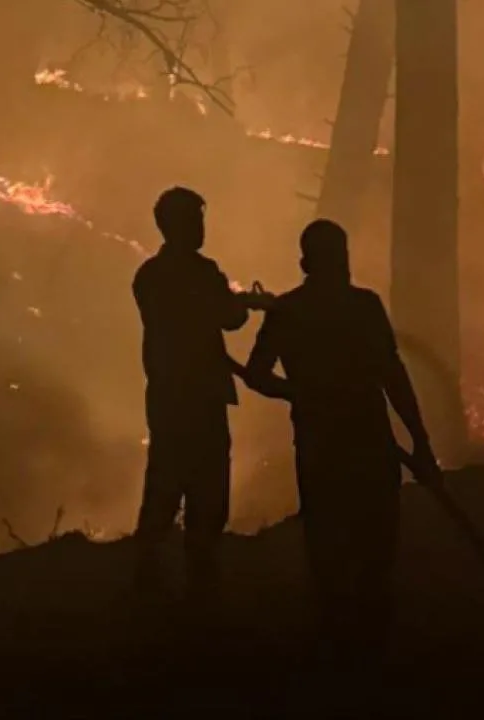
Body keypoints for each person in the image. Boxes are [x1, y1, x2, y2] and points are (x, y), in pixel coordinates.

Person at [242, 219, 438, 666]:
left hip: (321, 444)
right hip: (369, 442)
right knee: (373, 548)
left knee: (330, 546)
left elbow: (255, 374)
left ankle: (338, 646)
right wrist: (419, 440)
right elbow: (393, 377)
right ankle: (367, 648)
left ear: (304, 262)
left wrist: (295, 392)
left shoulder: (289, 312)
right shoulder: (363, 307)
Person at [131, 186, 249, 604]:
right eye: (196, 221)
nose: (201, 228)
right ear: (179, 225)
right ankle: (202, 585)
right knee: (207, 490)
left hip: (165, 397)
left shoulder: (147, 276)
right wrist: (245, 305)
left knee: (163, 483)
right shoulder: (203, 273)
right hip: (201, 396)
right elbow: (229, 317)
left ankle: (146, 579)